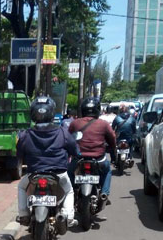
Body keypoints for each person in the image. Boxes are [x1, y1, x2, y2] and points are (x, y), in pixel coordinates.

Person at [16, 96, 79, 227]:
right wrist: (77, 154)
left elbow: (19, 154)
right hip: (59, 174)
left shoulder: (25, 134)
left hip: (34, 174)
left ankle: (23, 215)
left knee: (21, 187)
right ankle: (68, 216)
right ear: (51, 113)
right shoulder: (62, 132)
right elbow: (75, 149)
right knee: (68, 191)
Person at [68, 97, 116, 203]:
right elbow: (112, 138)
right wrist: (111, 147)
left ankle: (70, 193)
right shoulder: (103, 124)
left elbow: (68, 139)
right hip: (98, 159)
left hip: (79, 158)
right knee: (107, 171)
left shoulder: (75, 123)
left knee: (69, 172)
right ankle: (104, 193)